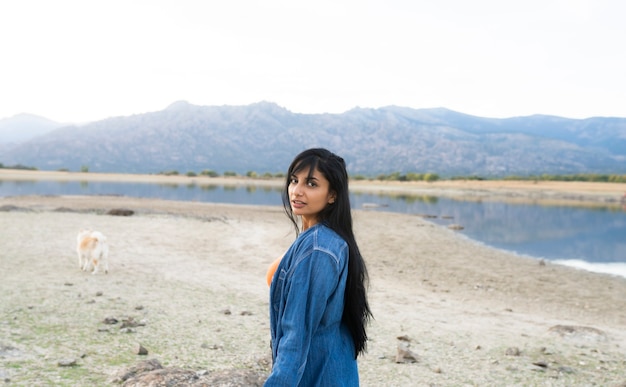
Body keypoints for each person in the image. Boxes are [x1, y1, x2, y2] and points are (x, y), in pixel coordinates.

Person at [265, 148, 372, 386]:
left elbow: (296, 333)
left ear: (332, 195)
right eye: (294, 180)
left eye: (311, 184)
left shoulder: (318, 249)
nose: (297, 191)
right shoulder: (325, 240)